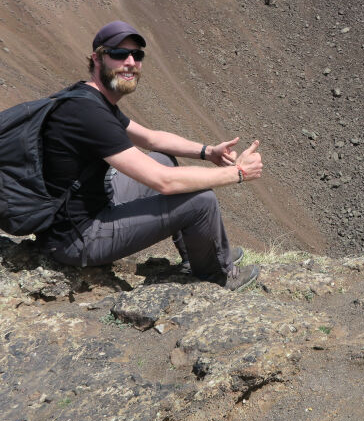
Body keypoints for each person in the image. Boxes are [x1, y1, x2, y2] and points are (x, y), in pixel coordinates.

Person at [35, 20, 262, 290]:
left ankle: (199, 253)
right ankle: (219, 276)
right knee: (200, 200)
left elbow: (151, 138)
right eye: (119, 54)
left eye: (137, 55)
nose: (130, 62)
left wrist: (207, 151)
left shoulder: (87, 97)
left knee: (162, 158)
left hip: (81, 211)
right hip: (76, 237)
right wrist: (237, 173)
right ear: (97, 58)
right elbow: (162, 182)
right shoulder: (89, 114)